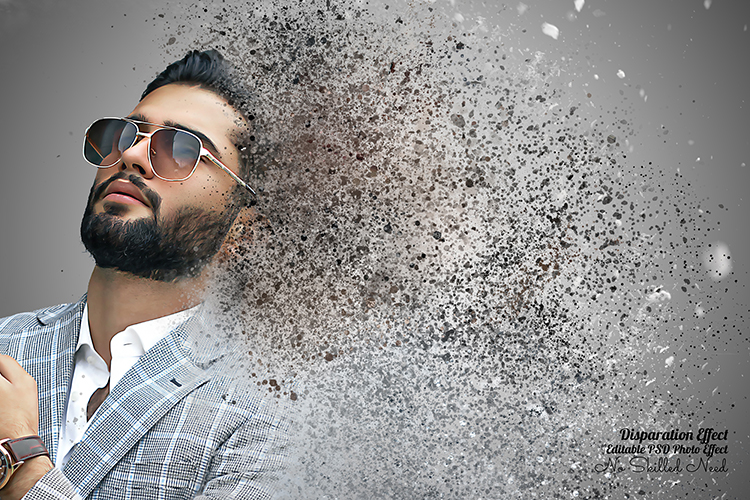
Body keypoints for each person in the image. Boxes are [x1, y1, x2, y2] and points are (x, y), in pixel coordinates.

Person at [0, 50, 287, 499]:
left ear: (242, 229)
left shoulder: (273, 410)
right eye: (125, 134)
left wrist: (20, 466)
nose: (131, 154)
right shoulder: (5, 346)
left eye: (180, 149)